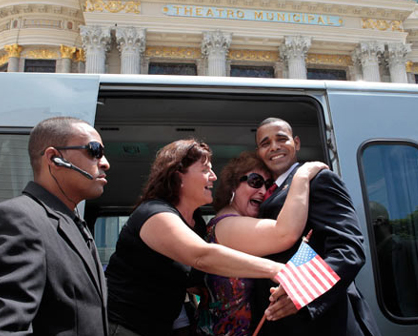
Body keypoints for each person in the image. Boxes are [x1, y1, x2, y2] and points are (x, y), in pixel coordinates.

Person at [105, 139, 285, 336]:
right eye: (205, 170)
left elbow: (191, 280)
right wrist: (276, 270)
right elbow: (202, 256)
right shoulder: (154, 214)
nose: (214, 177)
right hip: (124, 327)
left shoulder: (196, 224)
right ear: (178, 176)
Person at [0, 116, 111, 335]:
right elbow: (1, 329)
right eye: (94, 150)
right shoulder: (15, 220)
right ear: (54, 158)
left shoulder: (74, 222)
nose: (105, 163)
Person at [252, 117, 379, 336]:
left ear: (297, 143)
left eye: (281, 139)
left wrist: (301, 291)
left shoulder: (318, 180)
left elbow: (349, 250)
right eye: (265, 143)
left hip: (325, 322)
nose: (274, 147)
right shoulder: (265, 194)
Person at [201, 151, 327, 336]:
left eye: (268, 185)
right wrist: (302, 174)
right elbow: (285, 234)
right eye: (255, 181)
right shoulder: (226, 225)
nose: (262, 191)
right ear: (232, 185)